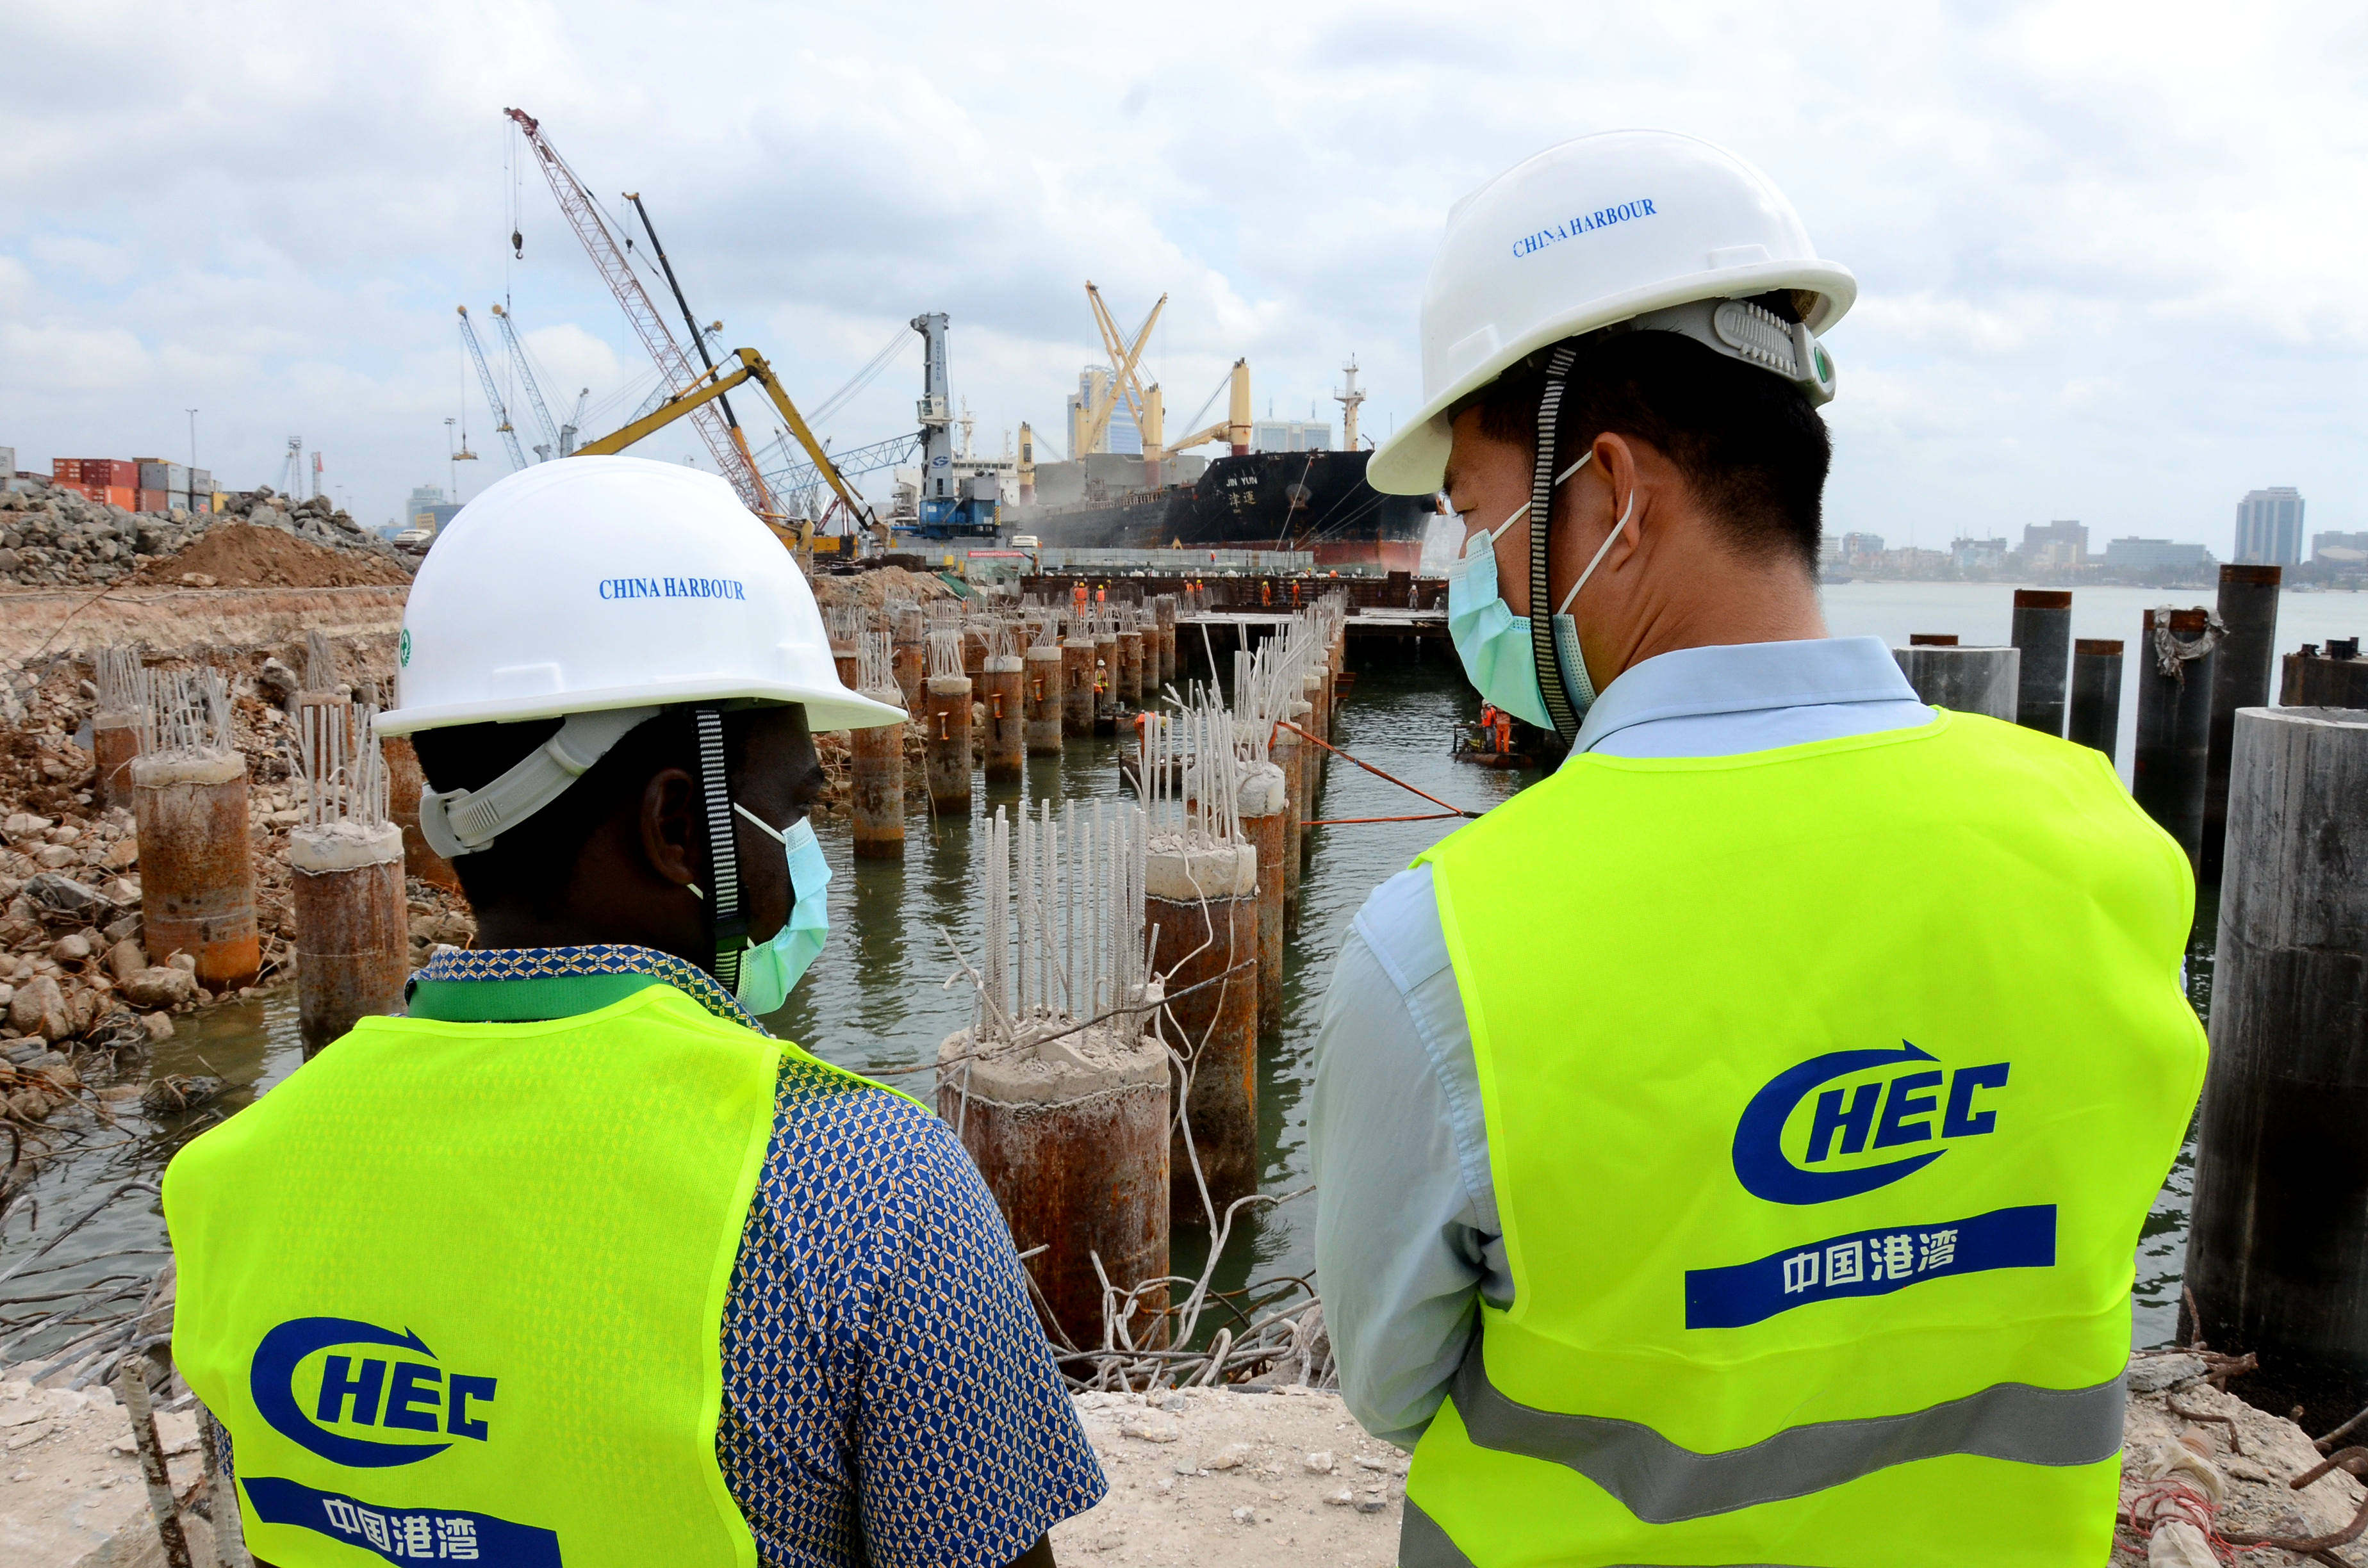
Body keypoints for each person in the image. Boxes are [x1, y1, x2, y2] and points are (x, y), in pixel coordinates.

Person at [1310, 131, 2207, 1565]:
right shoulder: (2112, 851)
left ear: (1610, 494)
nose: (1465, 575)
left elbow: (1389, 1382)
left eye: (1476, 518)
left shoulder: (1446, 953)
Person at [165, 458, 1102, 1568]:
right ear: (674, 824)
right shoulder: (865, 1187)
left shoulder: (239, 1175)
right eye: (794, 805)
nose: (804, 853)